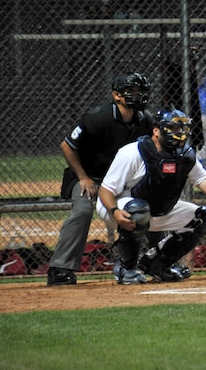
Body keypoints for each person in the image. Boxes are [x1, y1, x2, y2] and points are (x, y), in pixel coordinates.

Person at [96, 108, 206, 284]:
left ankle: (158, 264)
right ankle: (125, 268)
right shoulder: (132, 152)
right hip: (118, 207)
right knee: (139, 210)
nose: (179, 133)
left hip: (158, 209)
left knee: (205, 217)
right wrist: (114, 211)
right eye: (173, 128)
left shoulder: (185, 155)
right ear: (156, 130)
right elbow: (105, 190)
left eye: (182, 129)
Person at [46, 72, 153, 286]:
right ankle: (60, 268)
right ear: (116, 95)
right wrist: (83, 177)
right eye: (131, 91)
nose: (137, 95)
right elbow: (67, 145)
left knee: (141, 209)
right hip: (90, 177)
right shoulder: (99, 117)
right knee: (84, 210)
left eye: (140, 91)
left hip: (119, 182)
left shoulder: (145, 120)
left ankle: (146, 263)